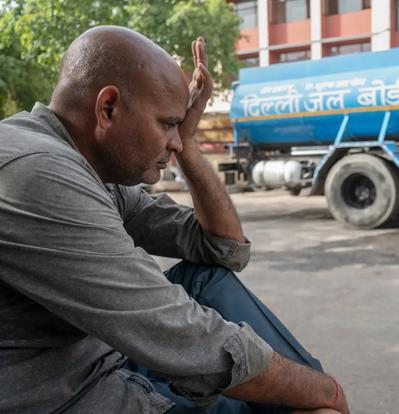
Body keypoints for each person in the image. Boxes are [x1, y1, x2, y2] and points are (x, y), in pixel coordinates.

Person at [0, 26, 349, 414]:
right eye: (168, 124)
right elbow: (176, 332)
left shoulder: (89, 169)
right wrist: (324, 392)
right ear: (108, 108)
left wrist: (191, 146)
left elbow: (224, 249)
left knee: (206, 280)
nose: (175, 141)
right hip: (66, 394)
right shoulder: (38, 172)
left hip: (102, 363)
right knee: (296, 393)